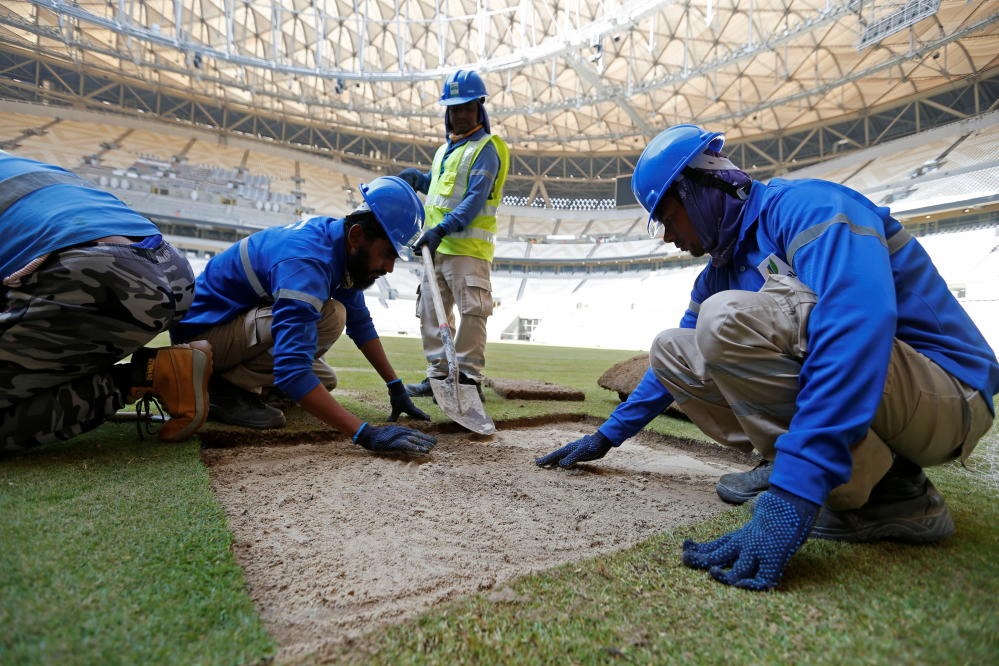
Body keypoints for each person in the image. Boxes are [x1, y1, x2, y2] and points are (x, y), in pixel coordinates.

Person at [536, 124, 998, 591]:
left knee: (726, 317)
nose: (667, 236)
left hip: (950, 397)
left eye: (667, 217)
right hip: (893, 396)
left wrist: (794, 492)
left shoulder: (808, 207)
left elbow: (856, 329)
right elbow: (670, 371)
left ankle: (887, 493)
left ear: (698, 190)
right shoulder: (720, 271)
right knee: (672, 348)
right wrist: (608, 436)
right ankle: (849, 472)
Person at [170, 176, 436, 455]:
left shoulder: (338, 246)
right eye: (387, 254)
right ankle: (220, 388)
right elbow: (291, 370)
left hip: (227, 327)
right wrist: (365, 434)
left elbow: (361, 324)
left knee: (324, 380)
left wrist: (395, 386)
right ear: (357, 235)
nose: (390, 268)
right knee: (331, 316)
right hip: (199, 342)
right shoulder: (307, 262)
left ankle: (240, 385)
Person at [0, 151, 212, 452]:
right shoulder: (17, 161)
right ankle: (156, 370)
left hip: (94, 276)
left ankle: (144, 377)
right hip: (169, 265)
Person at [399, 69, 510, 400]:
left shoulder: (487, 148)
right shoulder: (444, 150)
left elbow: (474, 201)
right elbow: (440, 189)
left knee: (472, 312)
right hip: (436, 248)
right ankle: (438, 376)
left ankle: (466, 378)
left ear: (479, 108)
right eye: (454, 108)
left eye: (466, 107)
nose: (459, 115)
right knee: (431, 312)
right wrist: (418, 180)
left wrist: (440, 230)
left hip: (467, 251)